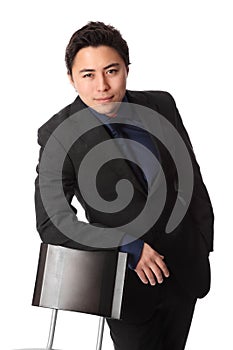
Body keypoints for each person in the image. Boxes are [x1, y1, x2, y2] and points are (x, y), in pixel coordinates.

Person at [35, 21, 214, 350]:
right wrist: (127, 245)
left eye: (111, 70)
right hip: (125, 284)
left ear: (127, 69)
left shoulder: (161, 105)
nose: (101, 85)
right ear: (71, 79)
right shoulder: (57, 136)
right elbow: (52, 223)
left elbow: (192, 179)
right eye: (87, 74)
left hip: (185, 271)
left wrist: (203, 241)